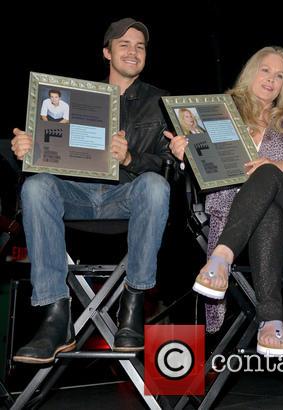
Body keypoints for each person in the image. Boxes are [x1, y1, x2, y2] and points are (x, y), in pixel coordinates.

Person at [10, 18, 173, 363]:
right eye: (124, 44)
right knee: (37, 186)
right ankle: (56, 317)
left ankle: (133, 301)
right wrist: (29, 150)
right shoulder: (75, 97)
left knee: (156, 187)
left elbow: (167, 165)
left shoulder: (161, 103)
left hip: (128, 198)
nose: (133, 51)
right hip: (78, 196)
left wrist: (130, 157)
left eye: (140, 46)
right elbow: (49, 153)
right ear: (106, 52)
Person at [167, 46, 283, 357]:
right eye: (265, 71)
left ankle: (220, 258)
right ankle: (272, 319)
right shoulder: (219, 112)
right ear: (251, 72)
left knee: (266, 172)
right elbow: (199, 165)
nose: (271, 80)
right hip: (243, 211)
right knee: (267, 214)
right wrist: (183, 155)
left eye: (280, 75)